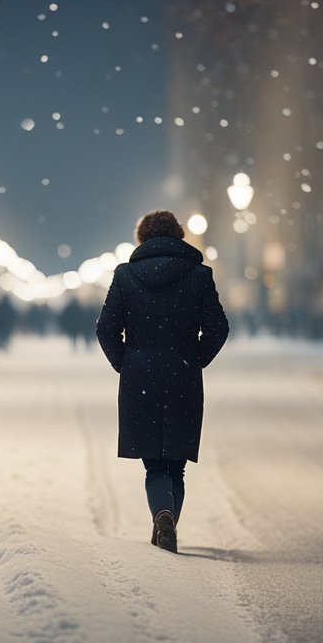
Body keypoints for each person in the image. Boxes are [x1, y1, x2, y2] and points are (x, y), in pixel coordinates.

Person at [95, 210, 229, 553]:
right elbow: (218, 328)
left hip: (139, 375)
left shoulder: (125, 276)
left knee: (153, 462)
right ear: (180, 236)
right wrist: (195, 358)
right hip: (183, 373)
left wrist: (126, 362)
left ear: (142, 238)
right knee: (176, 464)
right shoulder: (199, 276)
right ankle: (167, 517)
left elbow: (106, 328)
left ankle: (162, 513)